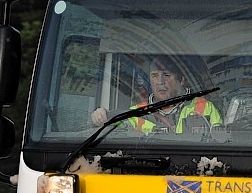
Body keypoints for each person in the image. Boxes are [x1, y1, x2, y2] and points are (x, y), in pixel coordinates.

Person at [91, 56, 222, 134]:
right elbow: (111, 129)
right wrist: (101, 116)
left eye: (166, 75)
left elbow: (220, 142)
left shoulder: (205, 108)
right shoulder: (136, 112)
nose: (160, 82)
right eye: (155, 76)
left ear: (181, 80)